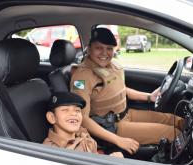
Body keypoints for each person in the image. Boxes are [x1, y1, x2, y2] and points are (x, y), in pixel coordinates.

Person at [70, 27, 184, 155]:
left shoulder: (112, 66)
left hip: (126, 114)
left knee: (176, 120)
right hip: (112, 128)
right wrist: (118, 140)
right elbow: (82, 118)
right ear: (89, 48)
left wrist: (149, 97)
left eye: (109, 49)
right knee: (175, 133)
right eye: (99, 48)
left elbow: (121, 90)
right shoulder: (82, 76)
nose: (104, 53)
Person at [43, 91, 123, 157]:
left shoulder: (82, 132)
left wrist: (110, 158)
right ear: (52, 117)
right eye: (65, 110)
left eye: (77, 110)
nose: (74, 114)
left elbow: (95, 156)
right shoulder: (52, 152)